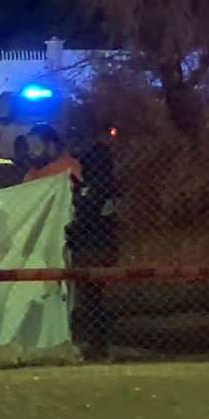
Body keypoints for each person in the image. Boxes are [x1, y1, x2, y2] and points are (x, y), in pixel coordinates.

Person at [69, 118, 119, 358]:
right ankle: (97, 342)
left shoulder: (95, 187)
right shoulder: (99, 185)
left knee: (91, 295)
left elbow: (89, 212)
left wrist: (74, 229)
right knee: (92, 295)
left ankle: (97, 343)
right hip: (96, 241)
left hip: (92, 242)